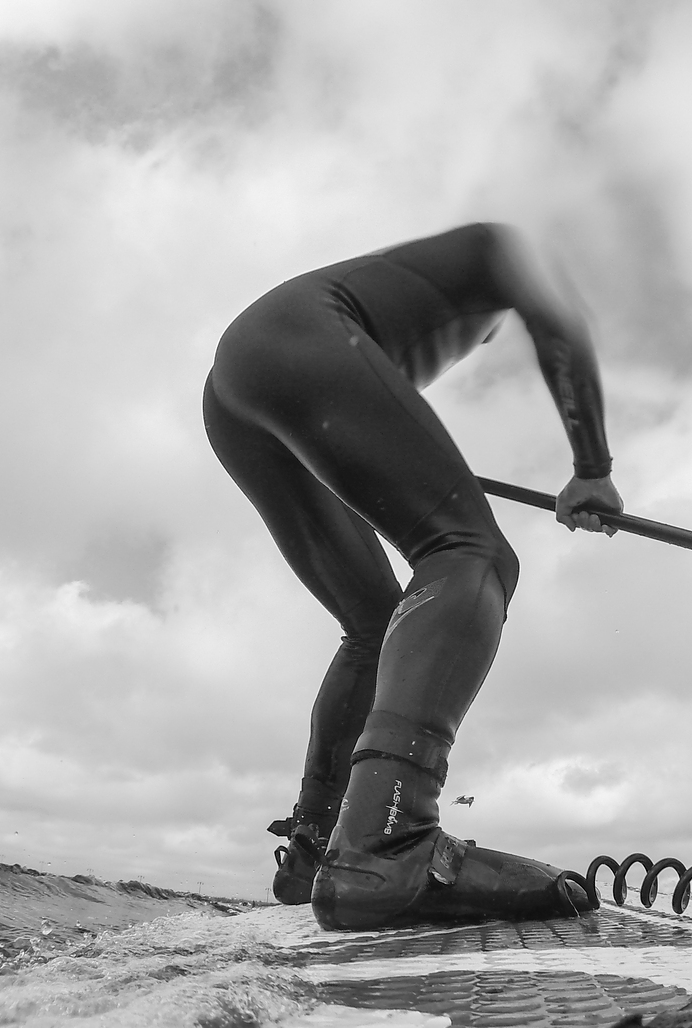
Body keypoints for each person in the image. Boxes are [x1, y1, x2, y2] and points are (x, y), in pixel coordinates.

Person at [202, 222, 624, 930]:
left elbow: (368, 414)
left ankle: (317, 846)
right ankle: (388, 845)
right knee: (471, 552)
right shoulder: (506, 247)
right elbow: (561, 324)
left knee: (373, 625)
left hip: (237, 395)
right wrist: (593, 471)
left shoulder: (415, 293)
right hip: (299, 341)